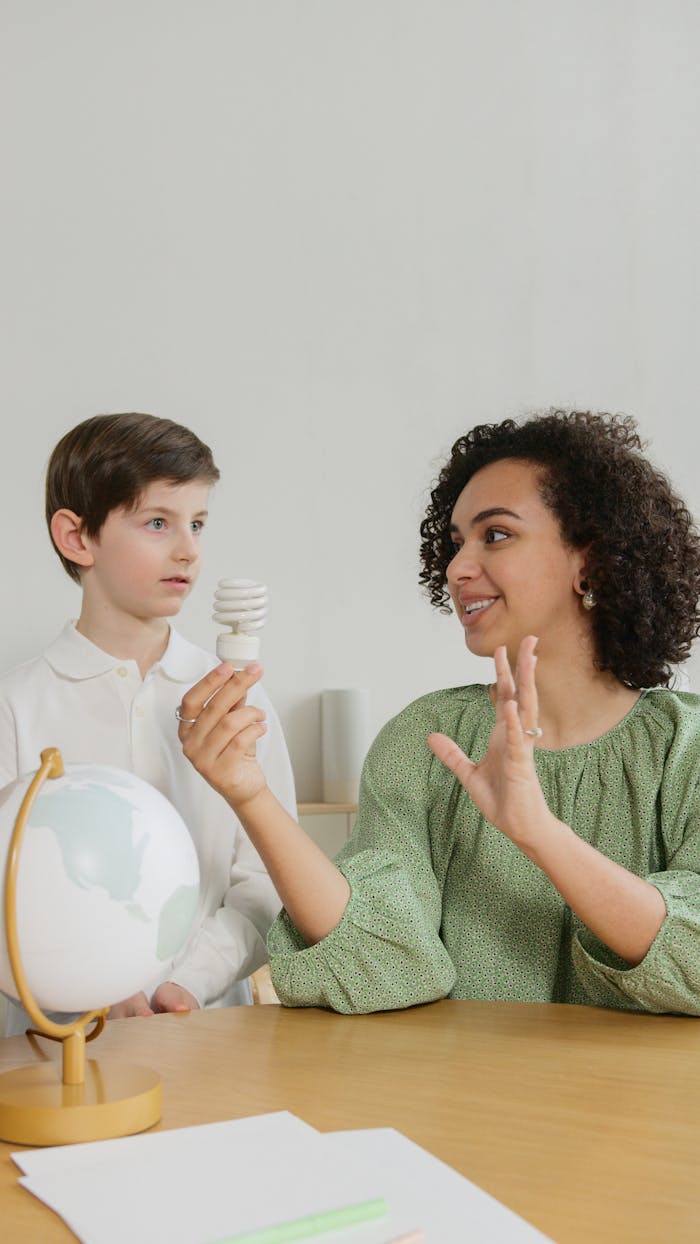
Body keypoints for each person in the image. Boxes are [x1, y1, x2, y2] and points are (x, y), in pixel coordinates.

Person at [174, 410, 700, 1016]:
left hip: (635, 1110)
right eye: (455, 545)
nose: (456, 569)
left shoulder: (682, 749)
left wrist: (541, 834)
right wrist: (249, 795)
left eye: (495, 535)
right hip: (452, 1102)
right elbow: (383, 964)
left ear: (592, 560)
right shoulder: (427, 742)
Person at [0, 412, 296, 1036]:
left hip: (211, 1040)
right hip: (56, 1052)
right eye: (158, 522)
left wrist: (183, 984)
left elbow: (267, 879)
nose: (189, 549)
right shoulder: (15, 707)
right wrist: (89, 995)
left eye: (198, 523)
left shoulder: (238, 699)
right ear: (77, 538)